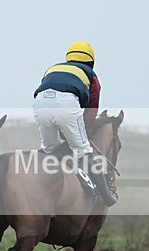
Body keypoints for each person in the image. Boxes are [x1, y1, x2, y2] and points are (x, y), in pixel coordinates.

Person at [32, 41, 118, 206]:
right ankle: (106, 195)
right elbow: (91, 111)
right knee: (84, 151)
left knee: (50, 150)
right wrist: (84, 133)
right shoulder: (91, 77)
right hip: (67, 104)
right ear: (91, 62)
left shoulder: (53, 68)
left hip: (40, 104)